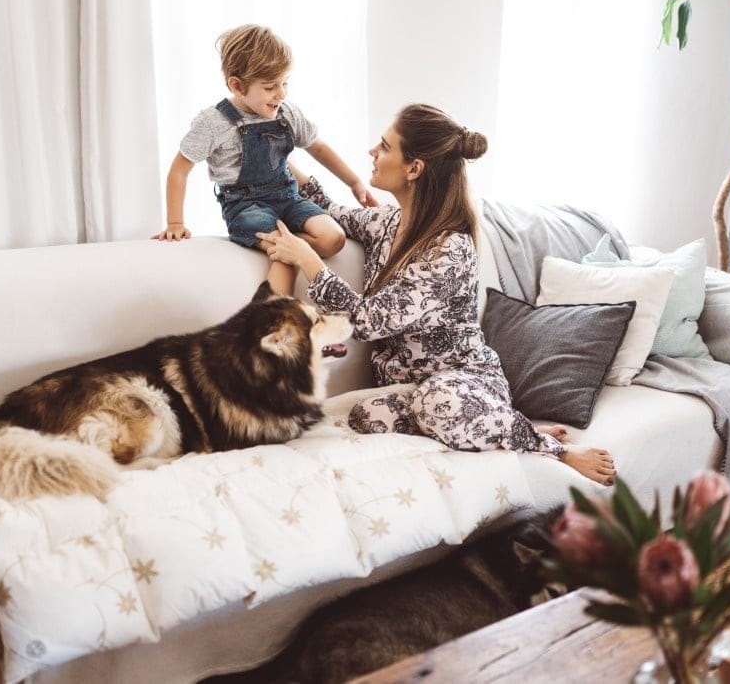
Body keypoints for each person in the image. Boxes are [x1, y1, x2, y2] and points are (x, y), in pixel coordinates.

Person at [258, 103, 616, 486]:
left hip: (461, 382)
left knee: (439, 403)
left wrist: (308, 261)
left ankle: (545, 444)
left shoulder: (450, 249)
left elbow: (366, 322)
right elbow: (328, 208)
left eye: (384, 146)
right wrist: (274, 158)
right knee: (366, 416)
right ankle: (497, 423)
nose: (372, 152)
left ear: (414, 168)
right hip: (411, 391)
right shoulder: (386, 222)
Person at [153, 24, 377, 295]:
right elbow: (179, 169)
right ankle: (274, 319)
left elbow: (317, 148)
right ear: (237, 85)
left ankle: (291, 244)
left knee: (333, 238)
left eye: (285, 83)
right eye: (271, 87)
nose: (281, 94)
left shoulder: (287, 113)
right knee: (284, 253)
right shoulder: (214, 123)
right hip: (245, 206)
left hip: (287, 196)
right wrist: (175, 223)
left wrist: (354, 181)